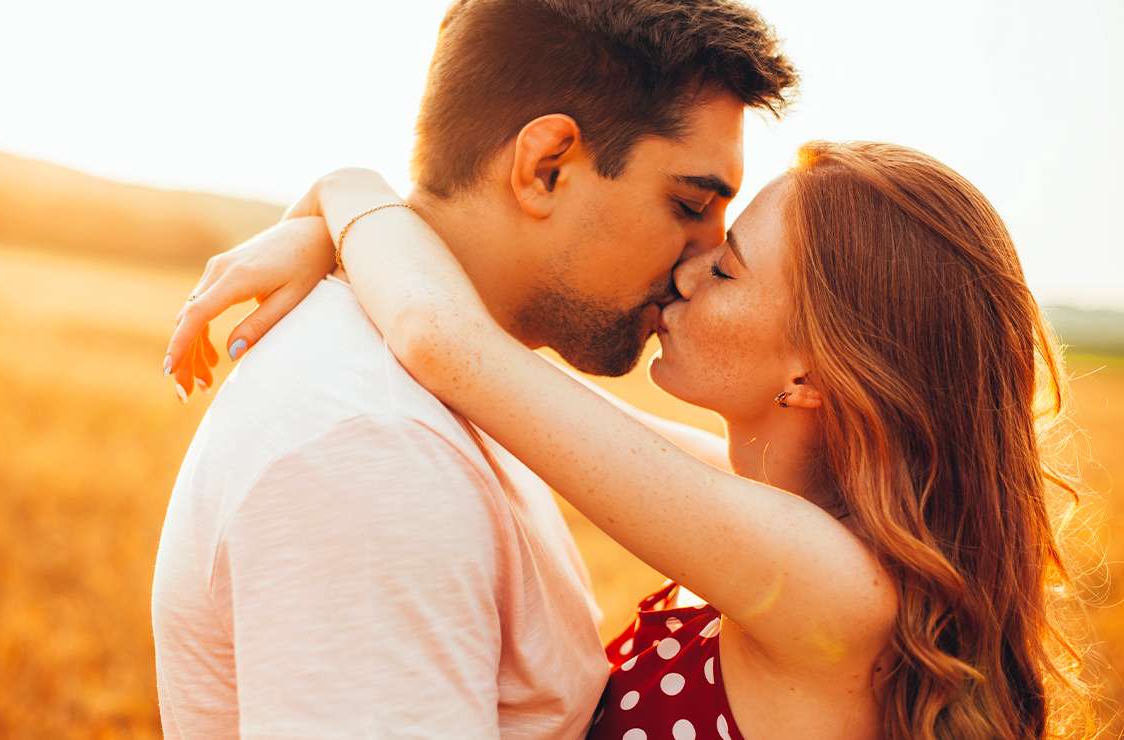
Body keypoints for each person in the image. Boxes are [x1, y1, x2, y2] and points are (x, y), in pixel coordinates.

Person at [166, 146, 1096, 738]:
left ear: (812, 375)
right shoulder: (786, 521)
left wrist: (343, 190)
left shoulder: (831, 582)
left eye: (727, 268)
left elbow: (449, 348)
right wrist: (333, 248)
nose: (685, 273)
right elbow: (527, 403)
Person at [152, 1, 797, 738]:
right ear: (545, 167)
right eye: (688, 203)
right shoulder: (378, 453)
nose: (701, 262)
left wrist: (347, 204)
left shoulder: (467, 398)